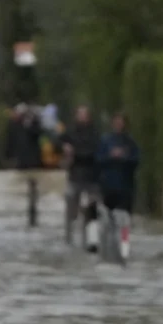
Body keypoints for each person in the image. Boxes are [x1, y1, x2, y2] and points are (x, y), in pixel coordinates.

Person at [62, 106, 101, 250]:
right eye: (80, 115)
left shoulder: (95, 133)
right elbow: (58, 143)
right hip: (75, 176)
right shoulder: (70, 132)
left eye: (85, 115)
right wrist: (65, 149)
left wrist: (76, 153)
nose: (83, 117)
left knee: (92, 210)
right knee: (70, 208)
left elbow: (94, 151)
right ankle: (69, 239)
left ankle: (89, 239)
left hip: (92, 177)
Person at [95, 112, 139, 216]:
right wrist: (111, 156)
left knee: (124, 218)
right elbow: (98, 159)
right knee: (108, 217)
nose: (118, 125)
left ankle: (124, 233)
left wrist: (123, 157)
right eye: (116, 122)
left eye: (121, 122)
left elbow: (135, 160)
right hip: (108, 187)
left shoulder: (130, 142)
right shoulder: (105, 141)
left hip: (126, 187)